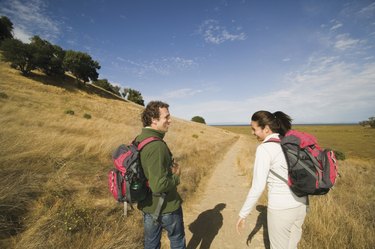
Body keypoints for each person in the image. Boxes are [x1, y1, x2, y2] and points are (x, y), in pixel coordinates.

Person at [236, 110, 307, 249]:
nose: (252, 133)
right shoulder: (290, 143)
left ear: (266, 129)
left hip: (281, 208)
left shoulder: (265, 149)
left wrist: (243, 214)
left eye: (254, 129)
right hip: (302, 204)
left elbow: (257, 187)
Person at [136, 100, 186, 249]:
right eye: (166, 117)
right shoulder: (156, 146)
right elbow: (158, 185)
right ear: (154, 119)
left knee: (151, 244)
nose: (170, 121)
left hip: (148, 206)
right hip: (167, 207)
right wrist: (176, 177)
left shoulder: (140, 139)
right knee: (177, 240)